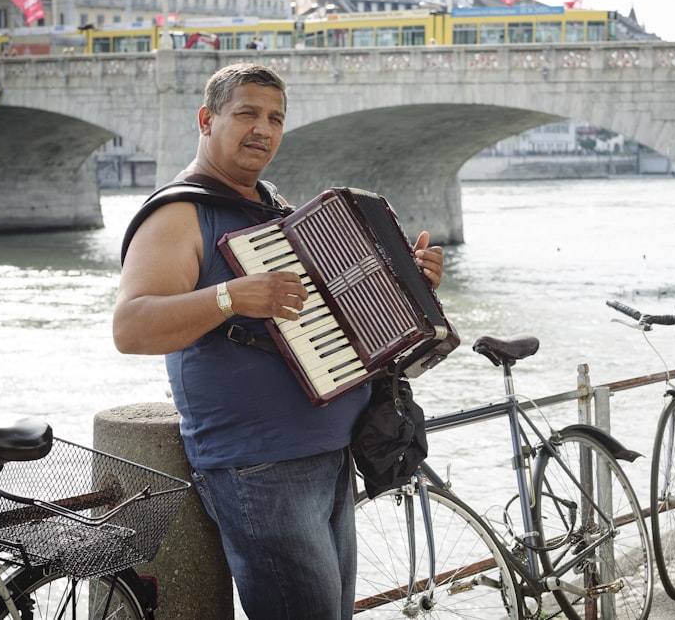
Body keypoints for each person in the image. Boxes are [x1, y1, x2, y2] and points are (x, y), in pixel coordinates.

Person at [112, 62, 444, 619]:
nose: (262, 129)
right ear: (206, 119)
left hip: (333, 451)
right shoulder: (179, 213)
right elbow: (131, 327)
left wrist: (408, 280)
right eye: (246, 114)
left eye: (275, 118)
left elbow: (340, 308)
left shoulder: (273, 206)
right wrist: (232, 297)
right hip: (259, 467)